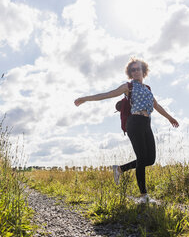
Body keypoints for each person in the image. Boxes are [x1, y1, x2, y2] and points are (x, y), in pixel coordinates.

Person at [74, 58, 179, 203]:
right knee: (142, 158)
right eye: (133, 70)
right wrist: (85, 98)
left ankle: (119, 170)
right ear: (130, 73)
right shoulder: (128, 87)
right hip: (134, 122)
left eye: (138, 69)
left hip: (146, 123)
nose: (135, 72)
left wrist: (170, 118)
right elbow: (107, 94)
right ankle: (144, 196)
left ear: (144, 71)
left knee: (150, 159)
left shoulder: (147, 89)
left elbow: (156, 105)